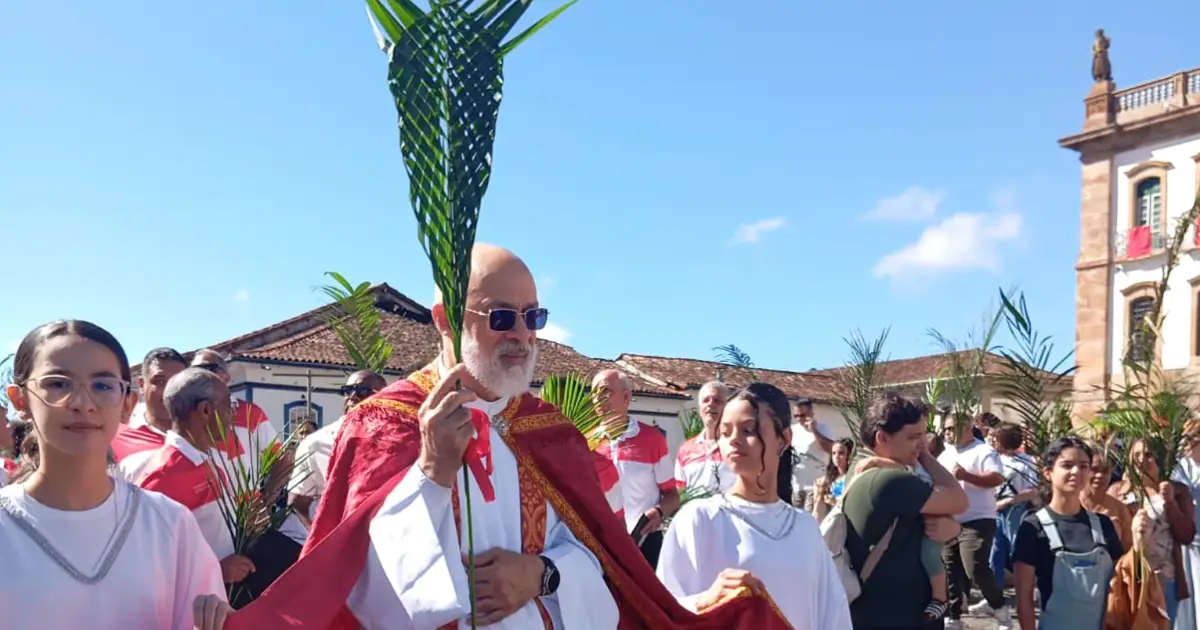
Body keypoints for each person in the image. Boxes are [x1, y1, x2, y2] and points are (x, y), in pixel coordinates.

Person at [221, 244, 794, 630]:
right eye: (500, 317)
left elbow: (604, 569)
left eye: (533, 317)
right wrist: (432, 471)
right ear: (445, 319)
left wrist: (540, 576)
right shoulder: (384, 424)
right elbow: (361, 590)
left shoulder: (551, 432)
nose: (521, 334)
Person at [0, 319, 227, 630]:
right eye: (58, 384)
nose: (82, 403)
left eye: (103, 386)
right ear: (20, 400)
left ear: (127, 403)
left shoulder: (170, 525)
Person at [656, 382, 852, 629]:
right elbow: (661, 610)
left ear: (784, 439)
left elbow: (834, 615)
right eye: (725, 432)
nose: (734, 441)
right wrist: (705, 600)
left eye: (748, 430)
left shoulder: (805, 527)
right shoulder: (699, 518)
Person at [841, 393, 967, 630]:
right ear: (881, 437)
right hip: (898, 614)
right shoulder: (889, 480)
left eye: (923, 435)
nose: (922, 444)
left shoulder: (865, 467)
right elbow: (959, 500)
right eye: (913, 437)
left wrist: (953, 528)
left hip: (884, 611)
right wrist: (927, 457)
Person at [132, 367, 260, 592]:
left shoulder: (208, 459)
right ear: (205, 410)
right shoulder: (162, 477)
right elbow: (147, 566)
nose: (232, 414)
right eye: (228, 406)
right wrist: (218, 570)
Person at [1011, 437, 1127, 630]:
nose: (1076, 472)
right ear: (1048, 472)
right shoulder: (1033, 528)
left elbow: (1121, 587)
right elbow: (1024, 601)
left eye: (1083, 466)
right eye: (1067, 465)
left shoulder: (1103, 525)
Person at [591, 368, 680, 567]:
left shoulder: (652, 439)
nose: (598, 398)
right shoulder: (587, 442)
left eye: (605, 391)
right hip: (603, 544)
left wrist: (658, 512)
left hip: (645, 541)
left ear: (626, 396)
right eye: (594, 392)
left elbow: (672, 496)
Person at [1108, 437, 1197, 624]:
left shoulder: (1177, 491)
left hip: (1165, 578)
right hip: (1130, 577)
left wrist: (1171, 503)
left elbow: (1187, 535)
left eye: (1148, 455)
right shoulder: (1118, 492)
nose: (1142, 460)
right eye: (1137, 455)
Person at [288, 370, 387, 528]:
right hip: (340, 544)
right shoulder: (316, 443)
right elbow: (297, 503)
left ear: (384, 398)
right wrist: (321, 540)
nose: (353, 397)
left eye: (363, 391)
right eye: (347, 391)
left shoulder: (398, 441)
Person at [937, 412, 1009, 628]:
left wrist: (966, 476)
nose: (948, 433)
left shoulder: (983, 451)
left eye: (952, 428)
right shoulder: (944, 456)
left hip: (977, 519)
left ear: (968, 429)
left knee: (975, 567)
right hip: (949, 521)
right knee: (949, 569)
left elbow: (997, 477)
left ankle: (998, 607)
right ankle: (954, 616)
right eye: (946, 429)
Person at [112, 347, 188, 470]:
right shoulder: (116, 441)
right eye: (160, 381)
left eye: (178, 381)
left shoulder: (206, 433)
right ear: (141, 385)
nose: (170, 391)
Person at [990, 423, 1040, 589]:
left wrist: (1009, 501)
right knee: (994, 554)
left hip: (1015, 510)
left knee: (1017, 552)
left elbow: (1033, 491)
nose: (993, 442)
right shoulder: (993, 459)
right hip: (994, 510)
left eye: (996, 438)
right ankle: (994, 596)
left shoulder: (1026, 462)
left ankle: (1028, 589)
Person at [674, 381, 734, 495]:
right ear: (699, 409)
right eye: (706, 400)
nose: (710, 404)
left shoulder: (738, 445)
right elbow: (680, 493)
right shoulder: (685, 449)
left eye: (717, 400)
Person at [789, 398, 834, 509]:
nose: (799, 419)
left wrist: (814, 431)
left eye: (802, 415)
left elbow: (831, 449)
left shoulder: (823, 428)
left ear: (811, 413)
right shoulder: (792, 430)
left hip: (814, 485)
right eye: (796, 416)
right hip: (796, 485)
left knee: (810, 518)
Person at [808, 438, 852, 522]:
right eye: (834, 453)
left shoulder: (850, 476)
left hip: (845, 521)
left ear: (849, 454)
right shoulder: (830, 478)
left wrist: (835, 502)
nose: (836, 457)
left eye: (841, 453)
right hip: (831, 519)